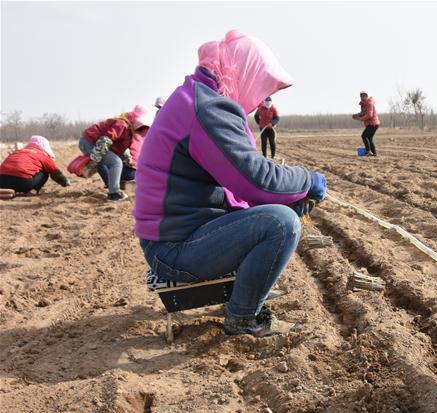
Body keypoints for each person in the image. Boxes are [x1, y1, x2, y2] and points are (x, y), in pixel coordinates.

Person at [133, 29, 327, 337]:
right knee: (280, 224)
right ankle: (244, 317)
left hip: (175, 237)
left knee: (273, 214)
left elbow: (240, 181)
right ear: (243, 73)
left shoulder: (197, 97)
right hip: (173, 250)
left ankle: (244, 297)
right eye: (261, 85)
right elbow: (256, 181)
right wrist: (308, 180)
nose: (259, 97)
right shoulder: (208, 108)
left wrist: (289, 194)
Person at [79, 105, 153, 201]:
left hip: (96, 143)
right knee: (116, 162)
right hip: (89, 142)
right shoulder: (122, 124)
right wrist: (93, 162)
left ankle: (113, 187)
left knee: (115, 162)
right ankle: (114, 193)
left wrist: (128, 160)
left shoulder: (130, 131)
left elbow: (120, 148)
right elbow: (105, 140)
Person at [0, 135, 70, 195]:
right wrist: (65, 182)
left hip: (2, 180)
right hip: (22, 182)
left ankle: (6, 190)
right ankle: (33, 191)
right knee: (45, 172)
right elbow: (55, 172)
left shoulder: (17, 152)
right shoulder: (42, 155)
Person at [352, 91, 379, 156]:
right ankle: (374, 153)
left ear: (367, 96)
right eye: (361, 96)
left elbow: (369, 115)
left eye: (364, 96)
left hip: (373, 123)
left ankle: (368, 151)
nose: (363, 97)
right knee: (369, 138)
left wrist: (359, 118)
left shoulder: (369, 103)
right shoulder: (363, 104)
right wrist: (357, 115)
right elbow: (363, 113)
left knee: (364, 136)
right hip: (371, 124)